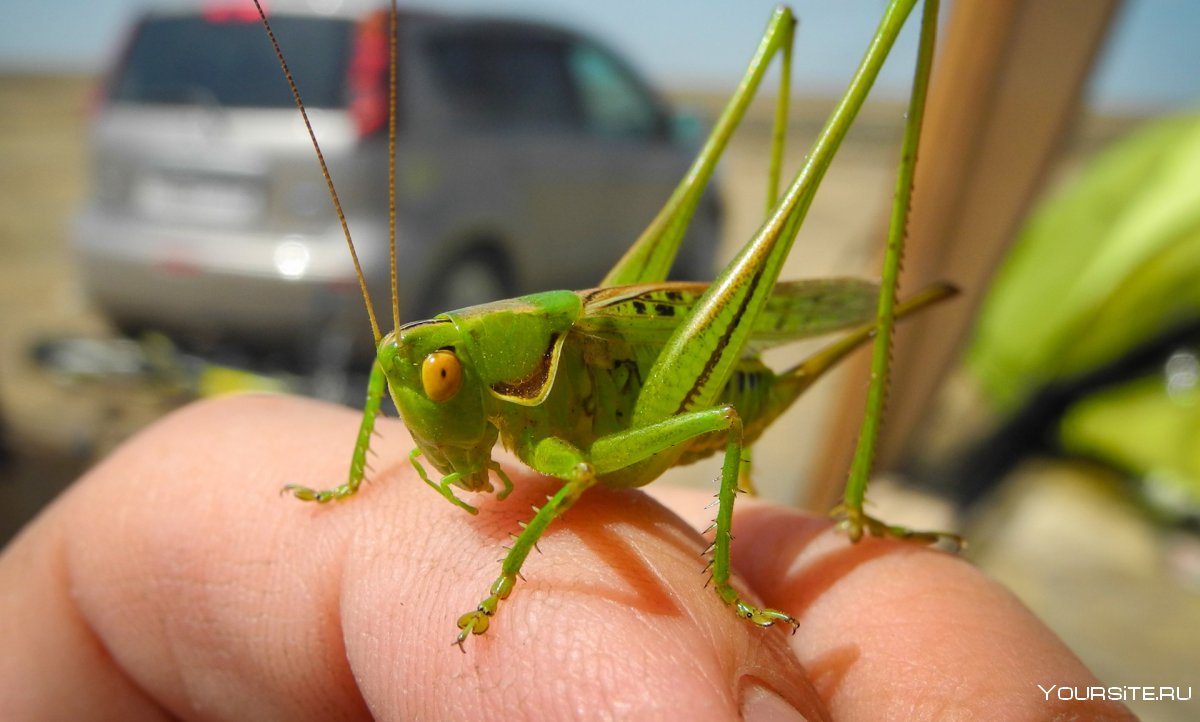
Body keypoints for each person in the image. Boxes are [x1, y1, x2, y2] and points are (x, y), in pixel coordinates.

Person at [0, 394, 1132, 721]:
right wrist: (355, 484)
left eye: (437, 382)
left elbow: (592, 464)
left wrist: (501, 579)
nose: (416, 403)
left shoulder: (543, 428)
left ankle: (856, 508)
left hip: (680, 387)